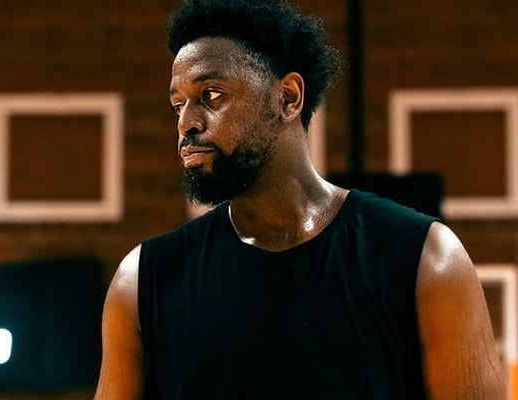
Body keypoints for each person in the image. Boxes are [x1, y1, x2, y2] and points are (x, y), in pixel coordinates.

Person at [94, 0, 506, 399]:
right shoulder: (142, 281)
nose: (187, 123)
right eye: (177, 105)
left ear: (288, 97)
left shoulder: (427, 259)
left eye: (211, 95)